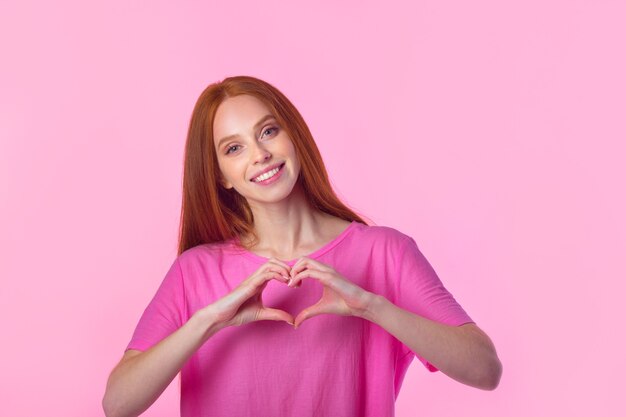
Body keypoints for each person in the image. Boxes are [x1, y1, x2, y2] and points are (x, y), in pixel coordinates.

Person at [102, 75, 502, 417]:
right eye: (234, 148)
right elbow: (118, 404)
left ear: (294, 136)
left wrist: (373, 307)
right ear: (221, 175)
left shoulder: (384, 253)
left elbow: (485, 369)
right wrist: (208, 322)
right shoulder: (195, 271)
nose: (260, 155)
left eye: (268, 131)